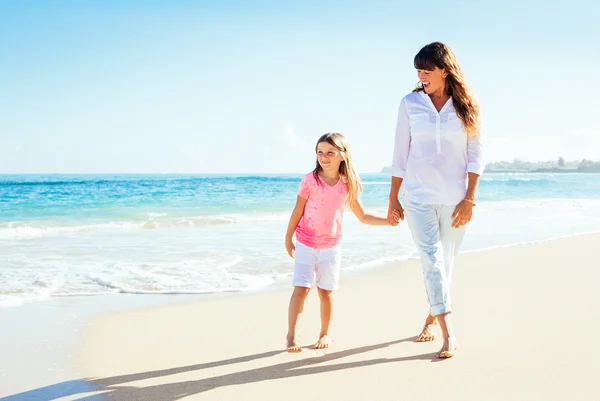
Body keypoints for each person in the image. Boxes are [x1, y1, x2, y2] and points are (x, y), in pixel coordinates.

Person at [387, 42, 483, 358]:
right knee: (431, 260)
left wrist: (470, 198)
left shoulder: (466, 104)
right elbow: (400, 153)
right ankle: (449, 334)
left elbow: (475, 154)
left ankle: (431, 317)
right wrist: (393, 198)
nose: (421, 75)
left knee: (445, 265)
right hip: (418, 197)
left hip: (455, 200)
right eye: (418, 70)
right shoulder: (410, 103)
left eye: (427, 70)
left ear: (444, 70)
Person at [285, 132, 400, 353]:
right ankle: (291, 337)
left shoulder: (347, 184)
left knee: (326, 292)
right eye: (320, 152)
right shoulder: (310, 180)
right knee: (301, 289)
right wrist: (287, 238)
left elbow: (363, 216)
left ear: (342, 155)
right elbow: (297, 211)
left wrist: (388, 221)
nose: (324, 157)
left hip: (331, 246)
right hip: (306, 243)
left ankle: (324, 334)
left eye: (330, 152)